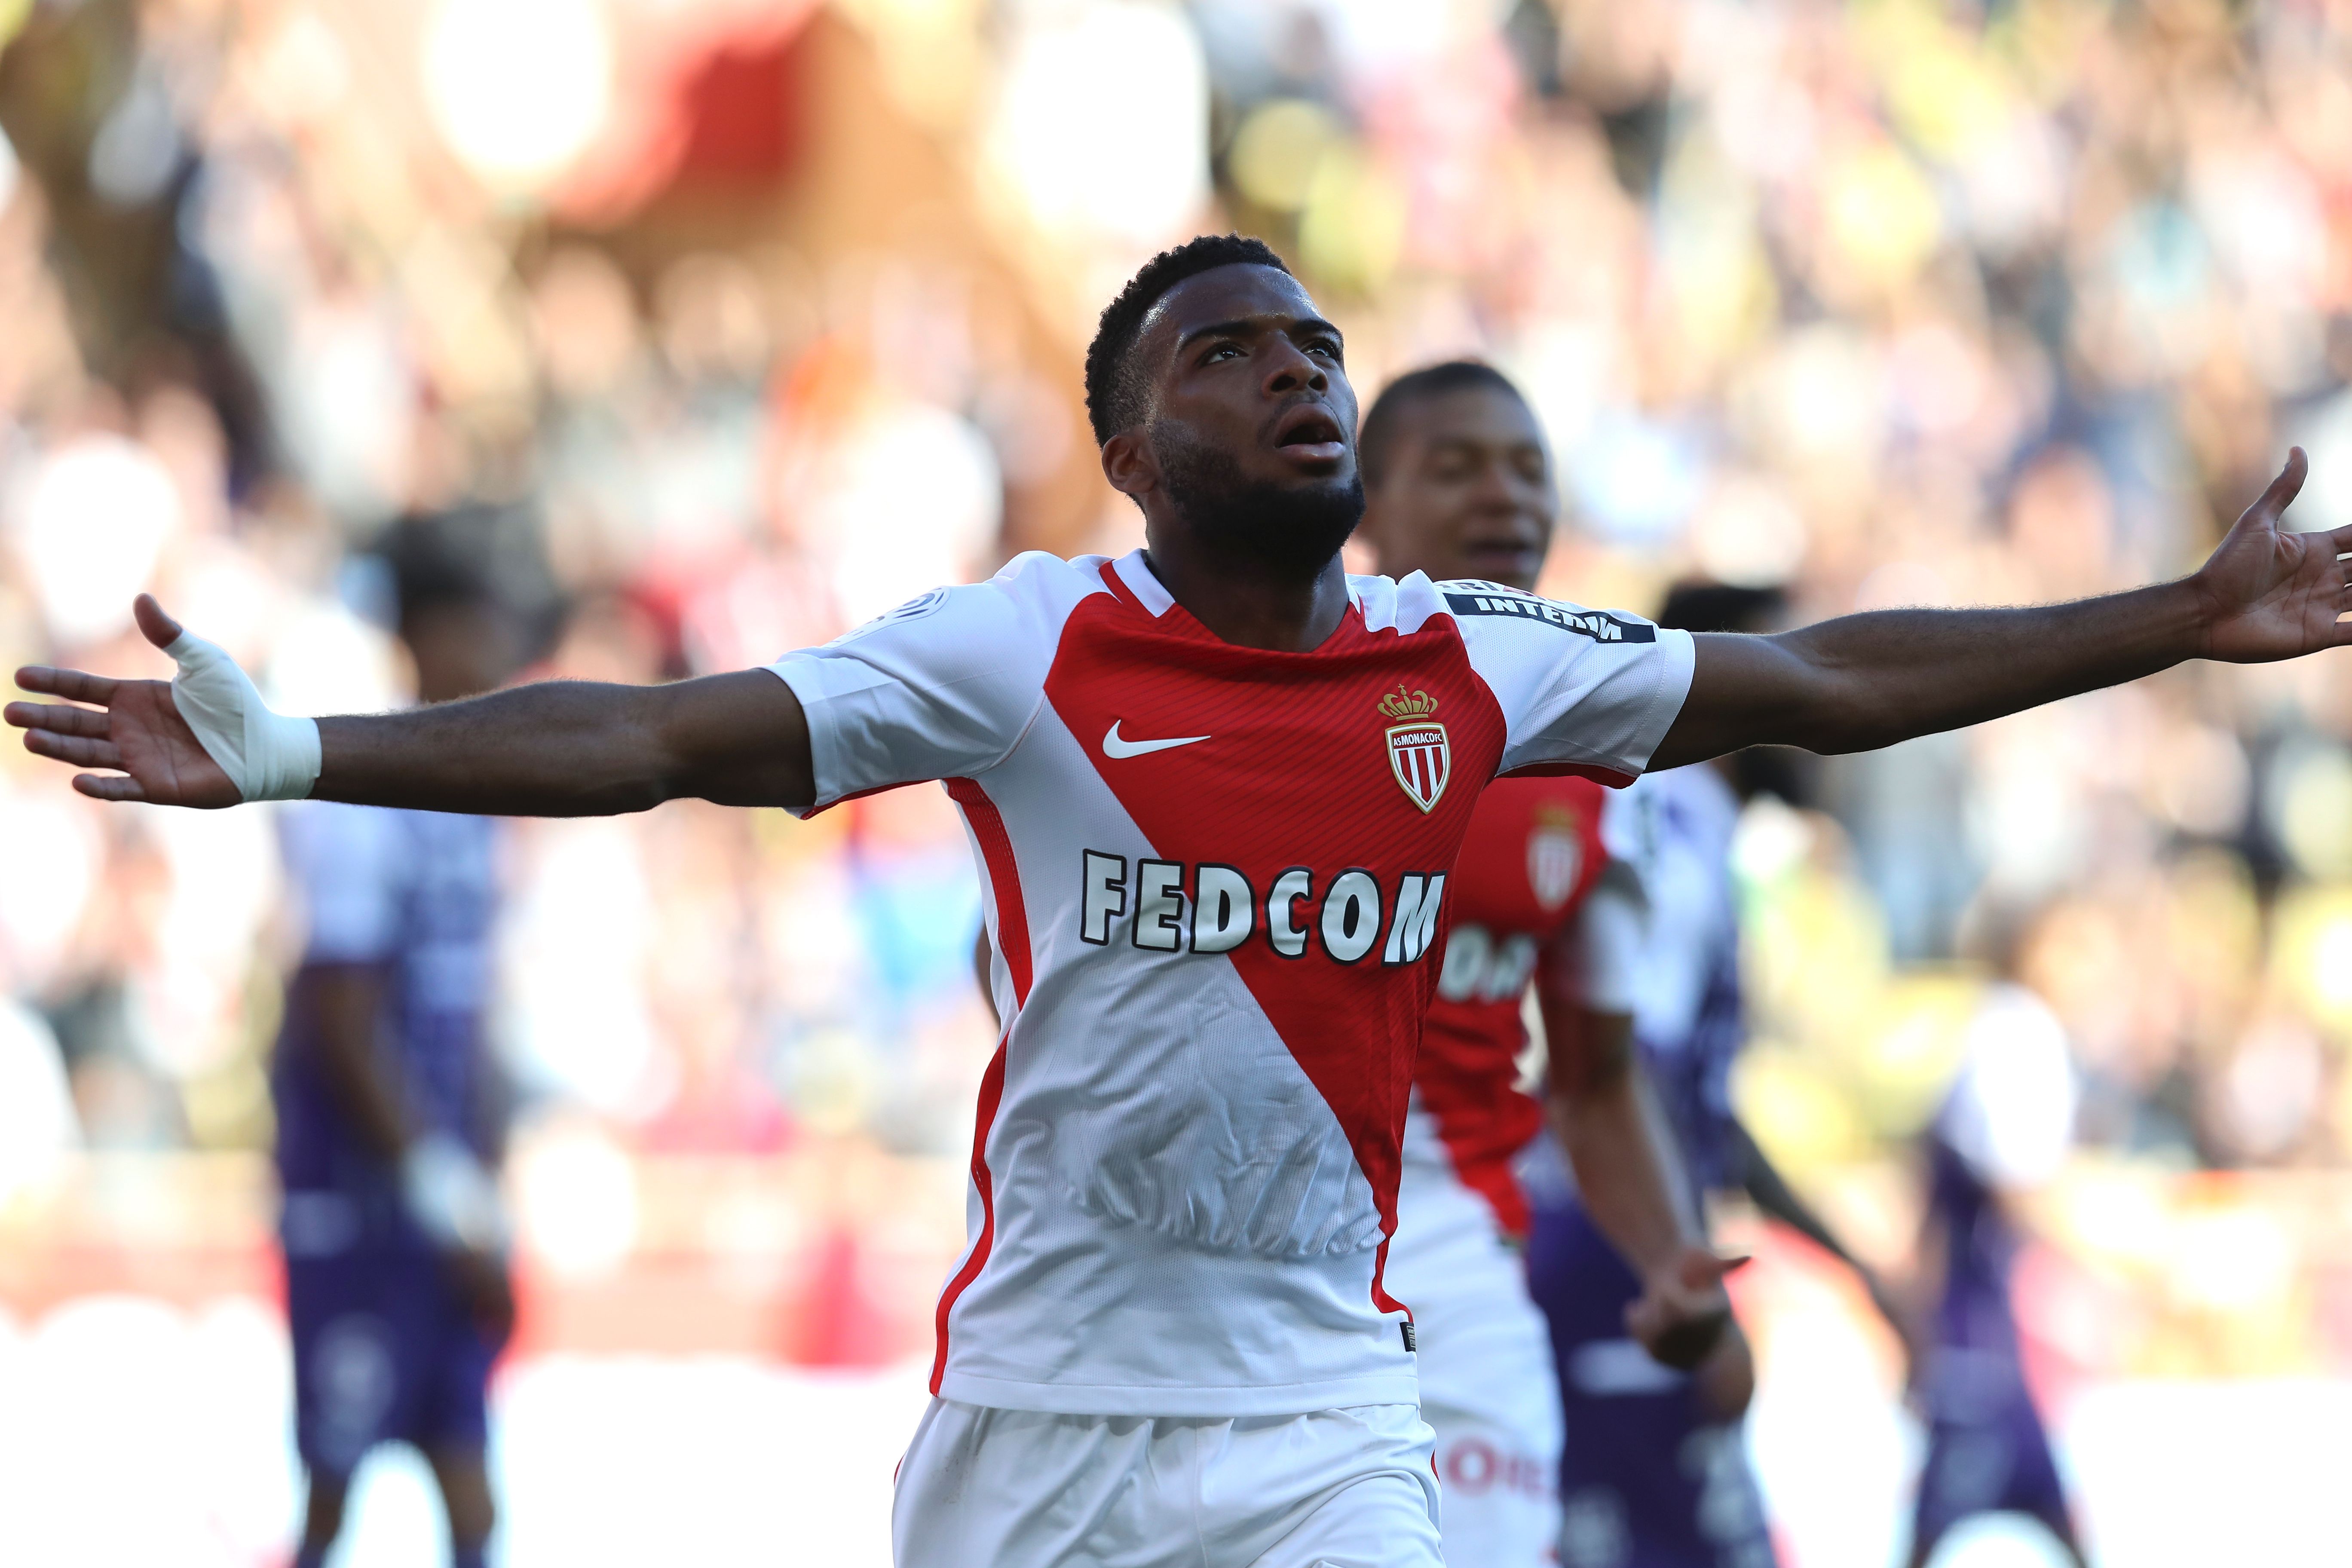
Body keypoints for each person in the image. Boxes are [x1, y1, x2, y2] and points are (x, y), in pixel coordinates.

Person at [11, 233, 2347, 1568]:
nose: (1295, 372)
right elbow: (657, 735)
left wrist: (2175, 615)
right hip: (1037, 1421)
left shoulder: (1467, 664)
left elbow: (1821, 681)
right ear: (1134, 454)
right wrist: (304, 750)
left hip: (1326, 1410)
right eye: (1227, 354)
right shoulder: (1017, 649)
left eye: (1314, 346)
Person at [1351, 359, 1665, 1565]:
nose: (1506, 496)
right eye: (1458, 467)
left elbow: (1594, 1072)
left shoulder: (1600, 756)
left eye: (1531, 469)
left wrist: (1673, 1260)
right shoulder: (1270, 698)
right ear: (1364, 506)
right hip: (1248, 1256)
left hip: (1463, 1255)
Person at [272, 517, 528, 1568]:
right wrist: (443, 1191)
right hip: (362, 1205)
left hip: (437, 1201)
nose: (499, 654)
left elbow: (469, 1013)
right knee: (333, 1494)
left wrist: (485, 1187)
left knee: (472, 1495)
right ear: (424, 632)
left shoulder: (481, 801)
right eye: (481, 627)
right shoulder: (364, 798)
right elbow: (337, 1018)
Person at [1905, 946, 2087, 1568]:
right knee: (1940, 1528)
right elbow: (2017, 1186)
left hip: (1983, 1348)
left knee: (2049, 1517)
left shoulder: (1994, 1027)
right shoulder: (2015, 1034)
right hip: (1975, 1352)